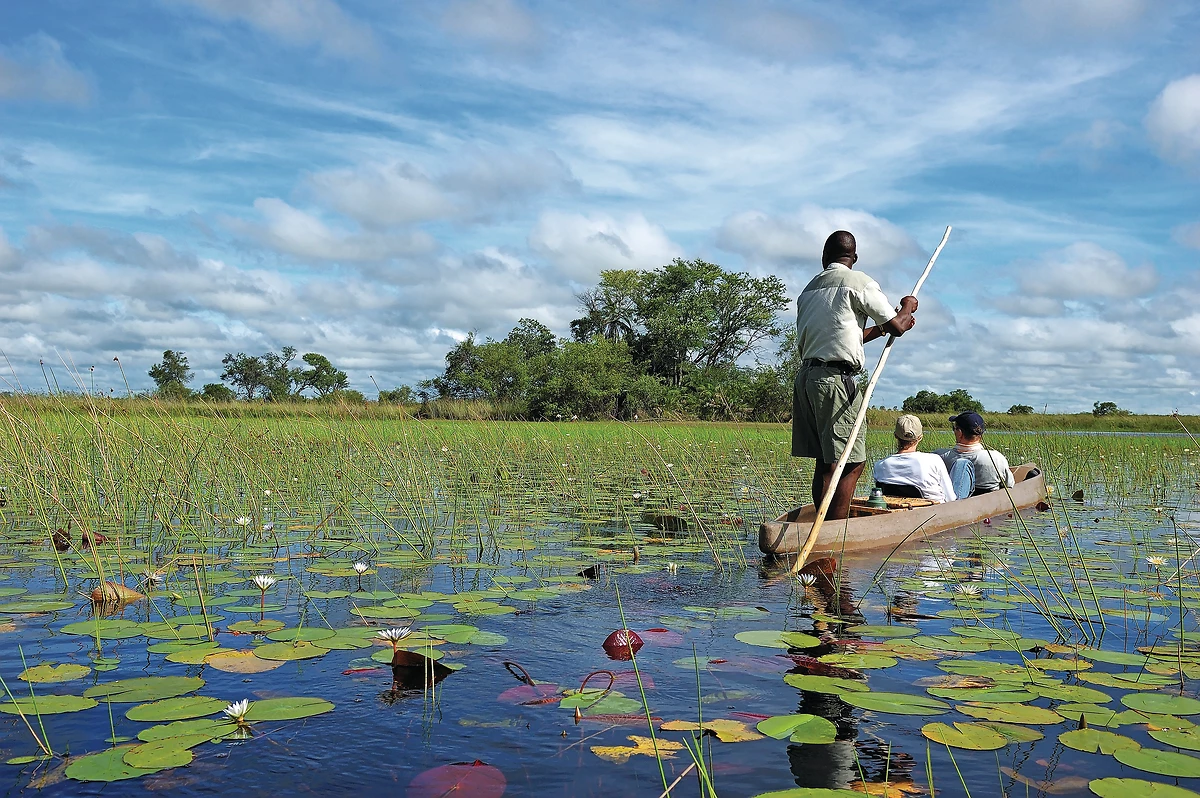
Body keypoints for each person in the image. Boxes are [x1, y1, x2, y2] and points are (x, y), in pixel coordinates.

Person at [793, 230, 918, 520]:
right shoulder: (857, 281)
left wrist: (887, 326)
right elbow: (898, 324)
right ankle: (834, 530)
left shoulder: (809, 289)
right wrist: (908, 305)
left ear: (824, 258)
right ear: (855, 257)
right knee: (850, 462)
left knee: (826, 461)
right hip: (836, 380)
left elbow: (850, 336)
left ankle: (823, 524)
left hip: (807, 379)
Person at [873, 415, 956, 503]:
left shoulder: (879, 465)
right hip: (934, 511)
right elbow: (951, 498)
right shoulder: (934, 460)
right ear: (920, 437)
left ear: (895, 436)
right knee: (963, 464)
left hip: (898, 511)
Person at [937, 411, 1014, 498]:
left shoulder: (939, 457)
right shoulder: (996, 458)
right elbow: (1010, 485)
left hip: (952, 504)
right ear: (981, 433)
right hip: (989, 505)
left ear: (960, 433)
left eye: (954, 428)